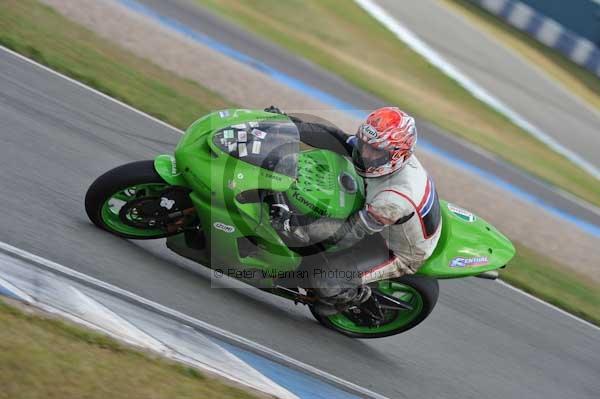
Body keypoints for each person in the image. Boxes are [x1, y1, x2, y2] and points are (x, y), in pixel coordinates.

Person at [265, 106, 442, 315]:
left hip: (396, 250)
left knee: (326, 280)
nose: (365, 153)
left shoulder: (394, 199)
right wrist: (288, 124)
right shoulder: (382, 151)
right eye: (364, 143)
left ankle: (353, 298)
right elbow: (338, 139)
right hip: (378, 212)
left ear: (397, 156)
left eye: (375, 150)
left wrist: (295, 226)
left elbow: (349, 233)